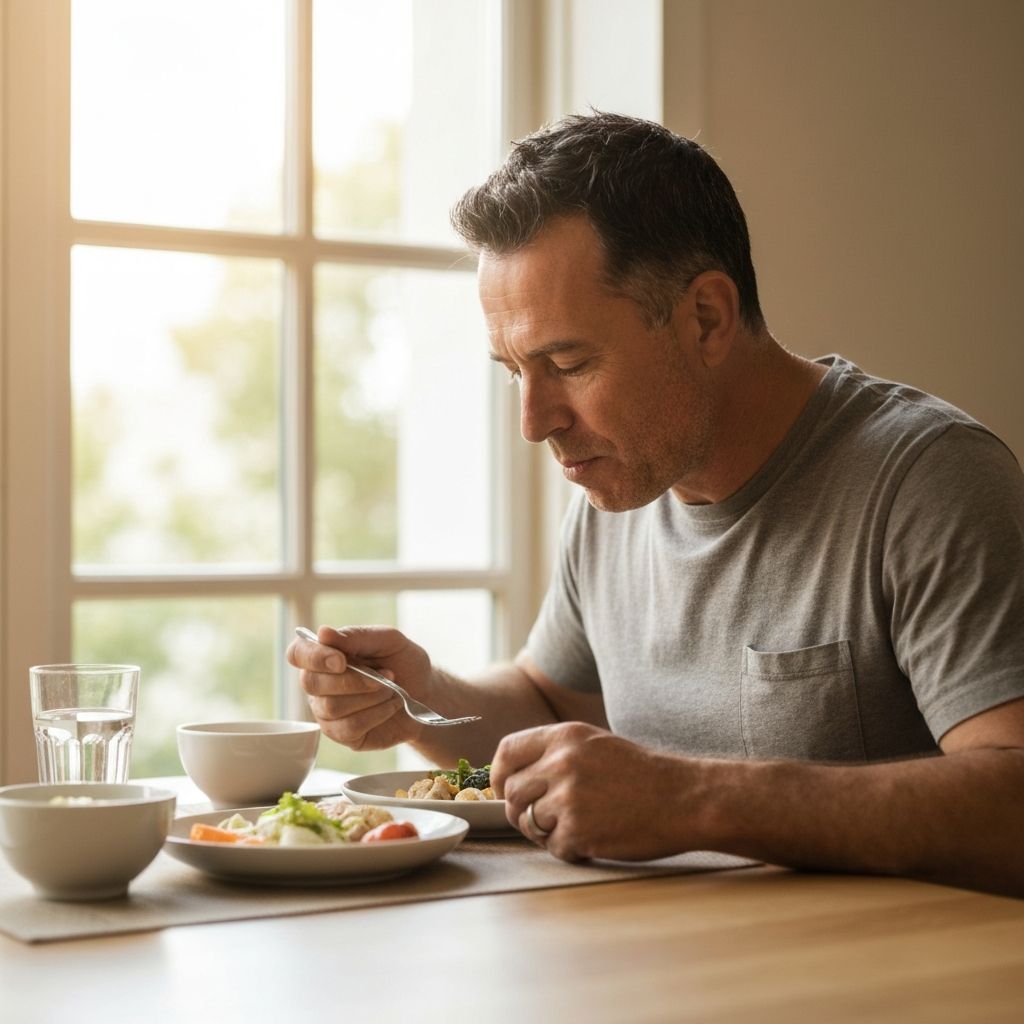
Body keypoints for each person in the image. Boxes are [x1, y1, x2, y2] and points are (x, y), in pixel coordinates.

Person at [288, 111, 1024, 897]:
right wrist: (420, 702)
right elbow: (549, 700)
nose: (535, 423)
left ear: (706, 317)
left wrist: (693, 798)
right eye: (513, 372)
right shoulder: (621, 484)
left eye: (566, 361)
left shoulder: (929, 481)